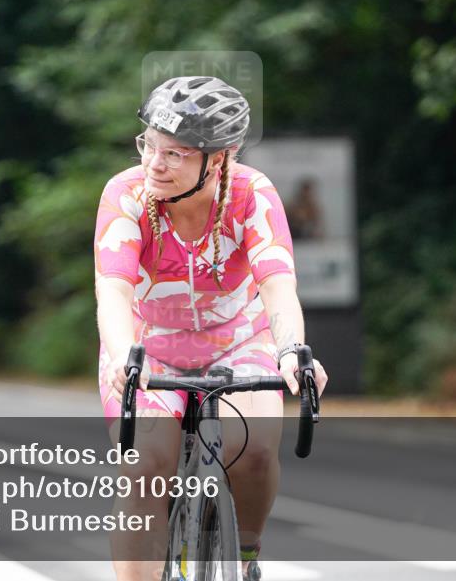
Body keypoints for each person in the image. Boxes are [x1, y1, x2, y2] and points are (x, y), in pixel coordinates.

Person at [94, 76, 328, 581]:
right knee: (144, 469)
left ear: (218, 158)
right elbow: (112, 290)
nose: (154, 163)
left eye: (175, 154)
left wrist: (290, 349)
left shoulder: (252, 194)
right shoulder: (127, 193)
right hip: (146, 347)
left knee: (258, 451)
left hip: (240, 340)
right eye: (149, 146)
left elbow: (277, 284)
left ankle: (245, 556)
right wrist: (119, 355)